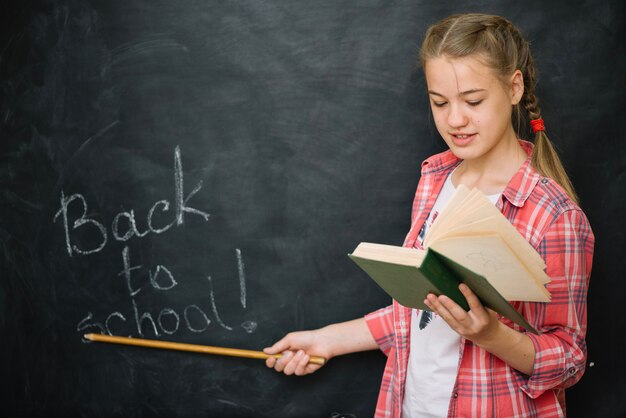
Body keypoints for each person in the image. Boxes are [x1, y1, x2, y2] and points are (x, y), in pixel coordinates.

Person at [263, 13, 594, 418]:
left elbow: (570, 359)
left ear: (514, 87)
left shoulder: (552, 214)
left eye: (473, 101)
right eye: (439, 102)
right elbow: (423, 307)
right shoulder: (435, 180)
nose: (455, 120)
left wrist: (491, 335)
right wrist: (329, 339)